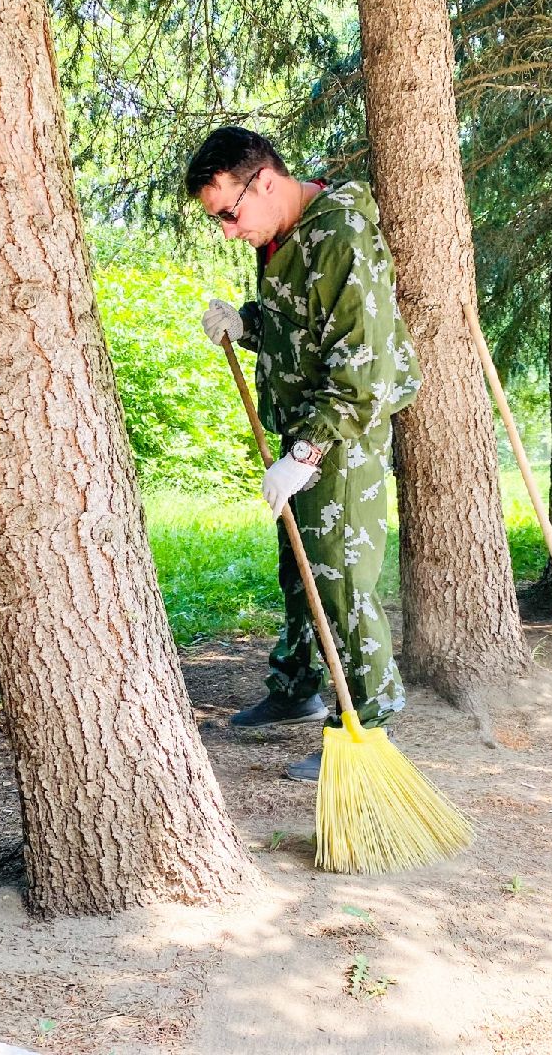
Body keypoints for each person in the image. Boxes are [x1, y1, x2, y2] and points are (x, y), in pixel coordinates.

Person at [185, 126, 421, 782]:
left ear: (264, 180)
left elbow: (362, 371)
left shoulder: (341, 235)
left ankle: (366, 723)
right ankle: (296, 685)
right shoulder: (281, 235)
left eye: (230, 214)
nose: (229, 231)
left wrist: (306, 454)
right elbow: (301, 325)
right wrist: (247, 323)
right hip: (302, 429)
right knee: (299, 569)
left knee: (339, 581)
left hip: (341, 437)